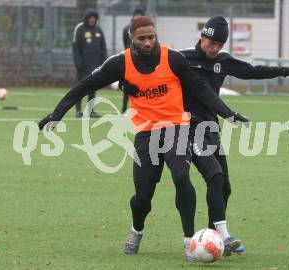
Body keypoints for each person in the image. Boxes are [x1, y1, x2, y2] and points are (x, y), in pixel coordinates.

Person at [38, 16, 248, 261]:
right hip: (146, 133)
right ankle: (137, 229)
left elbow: (201, 89)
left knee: (182, 176)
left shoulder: (173, 59)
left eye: (152, 37)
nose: (148, 42)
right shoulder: (120, 63)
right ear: (132, 38)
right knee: (142, 197)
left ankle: (190, 242)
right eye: (142, 38)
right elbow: (85, 86)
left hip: (176, 127)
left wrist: (228, 114)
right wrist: (57, 114)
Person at [179, 16, 289, 254]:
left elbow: (253, 71)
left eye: (219, 44)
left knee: (225, 187)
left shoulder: (223, 60)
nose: (214, 48)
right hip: (188, 127)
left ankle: (212, 237)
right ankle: (224, 237)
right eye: (211, 42)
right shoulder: (183, 58)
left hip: (211, 127)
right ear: (202, 37)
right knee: (214, 176)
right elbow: (154, 68)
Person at [72, 8, 108, 118]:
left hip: (95, 66)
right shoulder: (79, 28)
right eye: (90, 18)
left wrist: (104, 63)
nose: (92, 20)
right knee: (80, 88)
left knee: (92, 88)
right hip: (83, 66)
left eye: (94, 18)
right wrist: (78, 63)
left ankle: (91, 111)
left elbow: (103, 47)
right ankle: (78, 111)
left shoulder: (98, 30)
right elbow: (75, 48)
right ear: (87, 18)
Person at [121, 9, 145, 114]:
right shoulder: (126, 29)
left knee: (142, 85)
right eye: (136, 18)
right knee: (127, 83)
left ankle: (140, 108)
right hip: (130, 60)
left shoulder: (147, 30)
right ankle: (124, 107)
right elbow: (125, 44)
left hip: (143, 61)